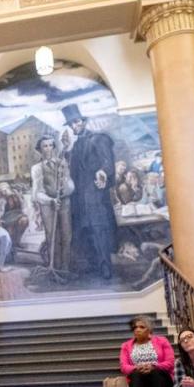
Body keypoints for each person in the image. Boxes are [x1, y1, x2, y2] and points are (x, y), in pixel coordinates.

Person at [64, 103, 117, 280]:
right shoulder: (74, 145)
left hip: (94, 196)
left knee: (99, 229)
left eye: (77, 122)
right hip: (79, 198)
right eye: (71, 124)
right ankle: (93, 265)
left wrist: (103, 172)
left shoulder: (99, 139)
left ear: (83, 122)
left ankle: (105, 267)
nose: (74, 126)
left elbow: (107, 162)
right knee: (84, 230)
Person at [119, 315, 174, 387]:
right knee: (135, 374)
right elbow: (124, 367)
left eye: (141, 327)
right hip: (138, 378)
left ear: (149, 329)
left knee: (156, 372)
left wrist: (153, 366)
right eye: (135, 327)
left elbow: (170, 362)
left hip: (159, 378)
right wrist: (137, 367)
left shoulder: (162, 341)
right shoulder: (126, 345)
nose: (137, 330)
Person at [30, 134, 72, 271]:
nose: (48, 149)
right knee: (52, 236)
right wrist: (51, 200)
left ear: (53, 147)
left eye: (50, 145)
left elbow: (70, 184)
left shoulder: (62, 163)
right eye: (44, 146)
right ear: (40, 149)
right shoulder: (36, 168)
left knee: (66, 234)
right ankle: (55, 267)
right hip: (47, 205)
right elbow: (37, 193)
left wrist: (65, 189)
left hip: (64, 202)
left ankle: (65, 268)